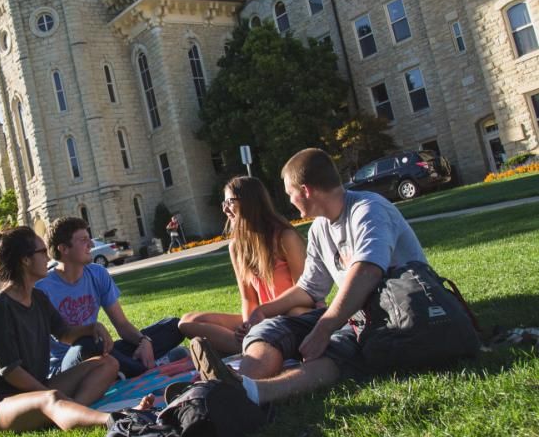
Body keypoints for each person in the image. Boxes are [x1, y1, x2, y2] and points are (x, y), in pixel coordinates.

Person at [190, 148, 429, 405]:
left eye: (289, 193)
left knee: (337, 348)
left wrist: (325, 327)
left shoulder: (368, 209)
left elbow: (367, 272)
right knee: (272, 328)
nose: (289, 200)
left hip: (395, 310)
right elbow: (309, 287)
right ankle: (232, 383)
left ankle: (254, 393)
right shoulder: (320, 228)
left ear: (304, 191)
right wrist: (265, 311)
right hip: (354, 312)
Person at [0, 226, 122, 435]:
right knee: (51, 399)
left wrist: (92, 327)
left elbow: (64, 334)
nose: (48, 257)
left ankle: (70, 412)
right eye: (42, 252)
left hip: (37, 387)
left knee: (108, 364)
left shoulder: (38, 298)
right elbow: (11, 372)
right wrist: (49, 392)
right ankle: (117, 421)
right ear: (25, 260)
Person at [178, 175, 313, 354]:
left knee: (297, 313)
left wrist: (262, 315)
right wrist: (248, 326)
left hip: (290, 314)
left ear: (250, 201)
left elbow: (305, 293)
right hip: (261, 319)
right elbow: (249, 299)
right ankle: (252, 346)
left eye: (230, 202)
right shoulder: (236, 247)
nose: (225, 209)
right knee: (188, 322)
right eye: (223, 203)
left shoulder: (285, 237)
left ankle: (254, 350)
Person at [37, 217, 185, 378]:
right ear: (64, 249)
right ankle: (143, 369)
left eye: (89, 238)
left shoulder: (97, 273)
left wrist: (144, 341)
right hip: (67, 365)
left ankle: (126, 369)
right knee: (89, 342)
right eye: (83, 240)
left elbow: (121, 324)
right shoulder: (42, 288)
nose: (91, 245)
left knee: (173, 325)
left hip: (103, 351)